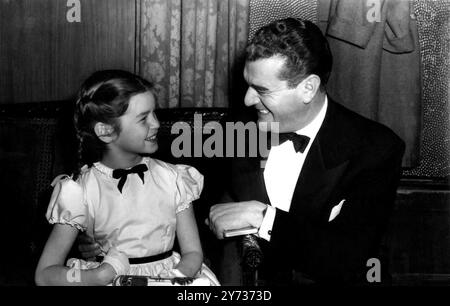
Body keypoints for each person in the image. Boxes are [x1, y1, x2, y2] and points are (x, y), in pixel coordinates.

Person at [207, 18, 405, 285]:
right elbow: (210, 205)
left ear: (308, 88)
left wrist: (263, 218)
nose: (247, 99)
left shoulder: (376, 148)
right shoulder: (235, 128)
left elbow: (349, 258)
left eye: (262, 90)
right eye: (248, 84)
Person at [35, 70, 219, 286]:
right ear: (106, 131)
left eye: (154, 113)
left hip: (171, 278)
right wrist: (95, 276)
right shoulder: (79, 190)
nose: (157, 124)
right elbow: (45, 274)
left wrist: (177, 277)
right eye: (143, 118)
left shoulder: (173, 178)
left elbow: (193, 252)